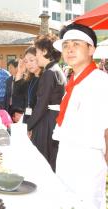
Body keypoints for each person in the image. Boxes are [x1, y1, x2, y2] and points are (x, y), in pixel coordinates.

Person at [52, 23, 108, 209]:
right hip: (66, 153)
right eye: (66, 45)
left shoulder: (101, 81)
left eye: (76, 44)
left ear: (91, 49)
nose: (69, 50)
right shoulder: (74, 81)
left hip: (88, 159)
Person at [26, 34, 66, 172]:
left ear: (44, 51)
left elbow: (41, 106)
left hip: (47, 123)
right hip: (52, 120)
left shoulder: (49, 73)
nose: (36, 56)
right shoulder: (56, 70)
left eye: (36, 52)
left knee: (42, 164)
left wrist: (27, 126)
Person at [13, 46, 42, 123]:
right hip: (28, 119)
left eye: (31, 60)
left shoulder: (45, 79)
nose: (28, 64)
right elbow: (17, 92)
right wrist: (20, 72)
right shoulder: (30, 79)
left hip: (39, 121)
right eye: (26, 61)